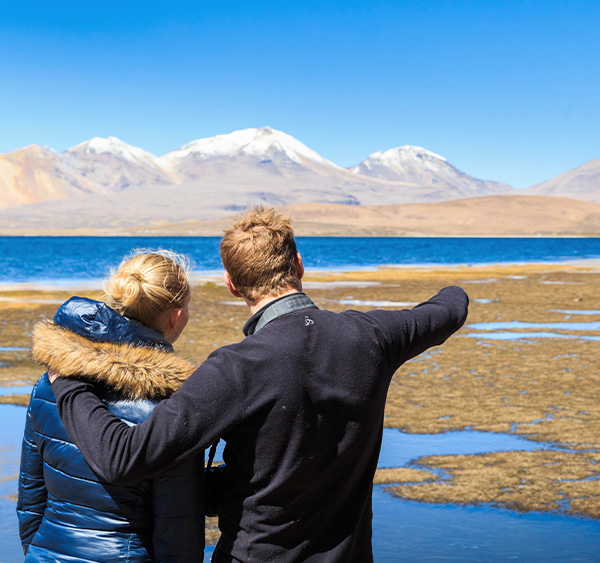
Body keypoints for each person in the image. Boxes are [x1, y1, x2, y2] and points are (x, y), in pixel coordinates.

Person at [49, 207, 469, 562]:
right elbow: (450, 308)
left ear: (233, 285)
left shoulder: (236, 368)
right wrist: (454, 287)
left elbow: (123, 458)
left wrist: (68, 381)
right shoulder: (372, 335)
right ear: (299, 264)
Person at [19, 250, 204, 562]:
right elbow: (177, 534)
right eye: (187, 307)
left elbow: (30, 499)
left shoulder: (50, 382)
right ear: (176, 316)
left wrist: (39, 553)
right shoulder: (172, 406)